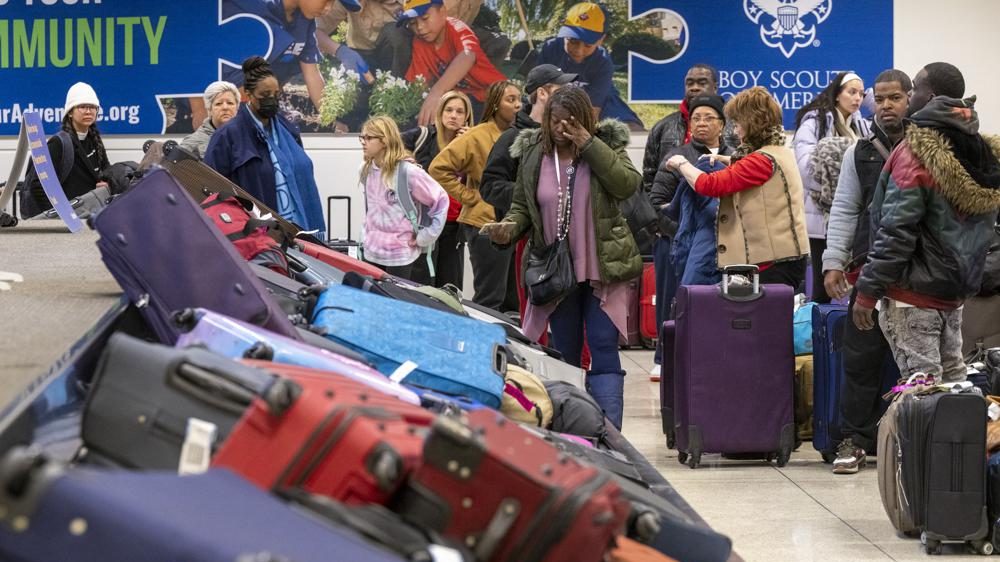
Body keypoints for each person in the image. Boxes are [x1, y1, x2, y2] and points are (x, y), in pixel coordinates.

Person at [480, 86, 643, 430]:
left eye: (569, 121)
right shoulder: (533, 155)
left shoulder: (605, 146)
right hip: (557, 272)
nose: (560, 128)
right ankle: (577, 429)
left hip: (603, 267)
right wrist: (507, 229)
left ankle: (612, 432)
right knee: (565, 351)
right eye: (554, 120)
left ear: (584, 120)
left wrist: (589, 143)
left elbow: (627, 184)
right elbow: (522, 208)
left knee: (602, 345)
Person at [853, 63, 1000, 386]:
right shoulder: (981, 150)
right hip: (953, 294)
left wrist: (868, 290)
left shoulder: (917, 151)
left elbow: (896, 229)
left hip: (912, 294)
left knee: (921, 392)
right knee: (954, 383)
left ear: (930, 96)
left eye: (915, 88)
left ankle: (924, 440)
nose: (910, 95)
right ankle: (961, 439)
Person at [820, 69, 911, 475]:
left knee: (915, 366)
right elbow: (844, 208)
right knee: (860, 362)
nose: (887, 105)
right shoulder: (860, 152)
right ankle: (854, 441)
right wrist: (833, 261)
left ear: (911, 99)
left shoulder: (927, 146)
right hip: (868, 273)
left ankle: (914, 440)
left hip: (916, 277)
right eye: (881, 98)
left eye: (896, 98)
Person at [666, 86, 809, 289]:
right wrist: (723, 158)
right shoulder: (779, 152)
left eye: (738, 123)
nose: (735, 130)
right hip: (786, 259)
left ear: (752, 123)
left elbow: (709, 185)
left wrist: (681, 163)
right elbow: (749, 167)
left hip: (772, 265)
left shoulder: (761, 161)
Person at [481, 64, 577, 322]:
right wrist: (534, 196)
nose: (568, 93)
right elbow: (489, 185)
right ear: (543, 94)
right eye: (561, 88)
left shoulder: (570, 135)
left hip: (571, 240)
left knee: (571, 316)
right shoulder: (513, 138)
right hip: (530, 240)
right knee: (535, 316)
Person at [648, 94, 734, 377]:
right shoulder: (679, 157)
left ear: (722, 124)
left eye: (709, 118)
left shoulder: (734, 156)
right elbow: (657, 201)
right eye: (696, 118)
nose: (701, 123)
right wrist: (684, 233)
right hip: (675, 242)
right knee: (673, 301)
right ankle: (664, 357)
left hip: (725, 244)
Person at [205, 57, 326, 233]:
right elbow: (211, 188)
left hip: (299, 230)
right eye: (264, 95)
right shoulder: (227, 136)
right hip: (254, 236)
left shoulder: (288, 129)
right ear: (248, 94)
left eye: (276, 95)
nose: (271, 99)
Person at [430, 80, 522, 313]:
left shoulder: (520, 135)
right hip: (484, 223)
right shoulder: (477, 135)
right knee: (491, 296)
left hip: (515, 223)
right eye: (510, 99)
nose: (518, 105)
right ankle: (481, 345)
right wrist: (471, 197)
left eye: (519, 99)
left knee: (515, 297)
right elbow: (438, 168)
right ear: (494, 104)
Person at [792, 71, 872, 303]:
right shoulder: (814, 122)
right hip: (820, 215)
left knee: (856, 287)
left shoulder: (863, 126)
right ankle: (818, 335)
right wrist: (842, 179)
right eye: (852, 92)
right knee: (821, 288)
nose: (858, 98)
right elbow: (805, 169)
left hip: (855, 215)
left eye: (861, 93)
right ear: (837, 94)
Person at [358, 116, 450, 280]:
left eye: (369, 138)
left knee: (398, 303)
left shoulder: (408, 172)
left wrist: (427, 235)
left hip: (400, 255)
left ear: (385, 141)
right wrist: (365, 235)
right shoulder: (365, 170)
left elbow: (441, 200)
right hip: (371, 253)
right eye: (362, 137)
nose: (363, 142)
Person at [401, 90, 474, 287]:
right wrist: (408, 157)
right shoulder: (424, 136)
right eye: (449, 110)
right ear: (440, 112)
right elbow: (395, 143)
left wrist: (471, 143)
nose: (453, 116)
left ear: (467, 116)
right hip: (425, 220)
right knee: (422, 281)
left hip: (453, 223)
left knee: (450, 283)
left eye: (460, 112)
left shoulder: (471, 140)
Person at [398, 0, 507, 125]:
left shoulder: (456, 28)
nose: (420, 27)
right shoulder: (419, 43)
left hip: (493, 97)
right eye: (412, 23)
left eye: (425, 18)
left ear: (443, 12)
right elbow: (418, 83)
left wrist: (436, 92)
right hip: (461, 101)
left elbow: (468, 56)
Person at [535, 2, 642, 130]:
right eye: (573, 41)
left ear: (601, 40)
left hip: (598, 98)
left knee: (630, 128)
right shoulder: (550, 49)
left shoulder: (603, 62)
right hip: (558, 97)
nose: (579, 51)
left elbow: (592, 113)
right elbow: (540, 92)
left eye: (588, 45)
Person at [221, 0, 339, 113]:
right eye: (326, 0)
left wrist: (330, 117)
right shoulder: (253, 9)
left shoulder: (305, 21)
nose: (328, 8)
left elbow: (311, 72)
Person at [642, 63, 738, 194]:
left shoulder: (736, 127)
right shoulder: (662, 127)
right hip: (674, 208)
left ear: (715, 88)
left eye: (702, 83)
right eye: (690, 83)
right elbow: (649, 179)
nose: (694, 88)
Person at [25, 82, 111, 217]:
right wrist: (58, 216)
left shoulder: (95, 141)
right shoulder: (59, 143)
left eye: (92, 107)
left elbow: (107, 171)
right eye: (82, 107)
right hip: (68, 223)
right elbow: (38, 185)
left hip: (87, 216)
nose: (88, 111)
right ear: (70, 112)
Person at [180, 81, 241, 158]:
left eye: (230, 103)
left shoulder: (249, 136)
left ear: (237, 108)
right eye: (218, 104)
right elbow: (174, 168)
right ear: (209, 109)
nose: (225, 107)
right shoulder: (193, 143)